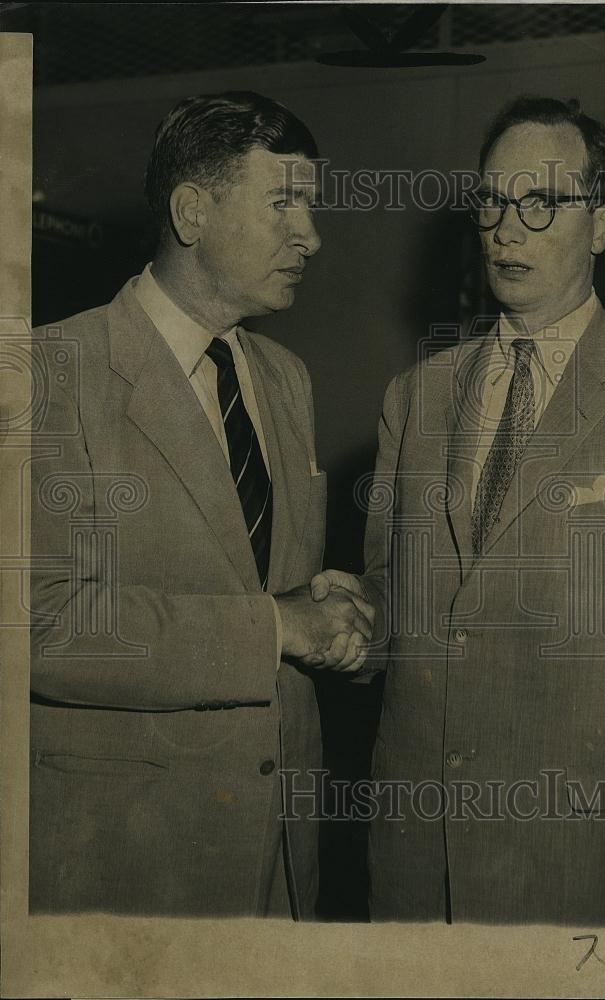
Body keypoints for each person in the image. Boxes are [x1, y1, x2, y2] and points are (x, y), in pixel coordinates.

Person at [336, 96, 605, 929]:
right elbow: (392, 601)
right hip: (416, 877)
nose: (506, 230)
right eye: (492, 201)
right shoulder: (415, 397)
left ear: (601, 224)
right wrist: (329, 615)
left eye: (541, 202)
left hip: (591, 880)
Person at [29, 91, 372, 918]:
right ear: (192, 210)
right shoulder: (49, 373)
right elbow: (36, 625)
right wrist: (278, 627)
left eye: (313, 207)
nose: (312, 237)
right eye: (284, 204)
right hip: (130, 864)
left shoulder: (286, 380)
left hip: (283, 858)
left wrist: (324, 604)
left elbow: (250, 569)